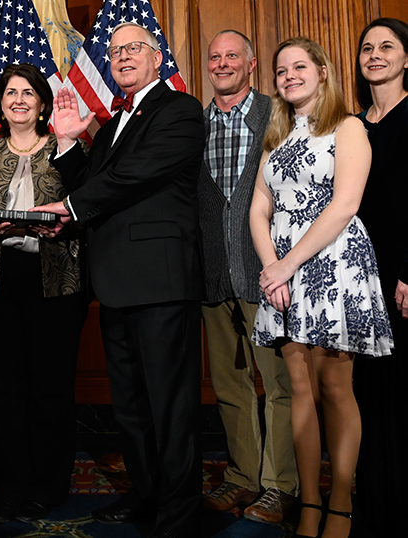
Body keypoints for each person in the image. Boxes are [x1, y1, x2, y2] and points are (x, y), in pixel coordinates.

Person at [32, 22, 205, 538]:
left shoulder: (180, 110)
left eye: (134, 49)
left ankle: (178, 516)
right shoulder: (110, 126)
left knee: (171, 406)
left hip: (161, 281)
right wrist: (67, 143)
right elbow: (92, 185)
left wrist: (70, 203)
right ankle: (147, 496)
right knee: (130, 406)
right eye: (115, 51)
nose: (123, 57)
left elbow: (137, 174)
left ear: (157, 58)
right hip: (113, 282)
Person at [249, 37, 393, 538]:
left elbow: (345, 205)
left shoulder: (348, 126)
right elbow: (258, 209)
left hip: (333, 267)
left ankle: (340, 506)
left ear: (324, 71)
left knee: (335, 389)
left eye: (299, 67)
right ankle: (309, 503)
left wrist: (286, 263)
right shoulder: (278, 138)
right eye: (281, 70)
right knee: (301, 390)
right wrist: (271, 268)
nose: (289, 76)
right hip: (285, 277)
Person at [0, 63, 83, 525]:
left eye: (28, 92)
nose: (19, 99)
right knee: (1, 390)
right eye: (11, 92)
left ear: (43, 102)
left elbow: (88, 205)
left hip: (55, 280)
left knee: (50, 389)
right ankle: (7, 487)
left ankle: (46, 488)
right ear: (0, 103)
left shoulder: (66, 148)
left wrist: (64, 224)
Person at [198, 30, 299, 522]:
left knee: (279, 385)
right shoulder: (194, 125)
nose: (222, 63)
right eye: (215, 57)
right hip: (214, 279)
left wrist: (285, 267)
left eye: (231, 55)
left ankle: (280, 485)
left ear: (252, 64)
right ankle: (242, 478)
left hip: (269, 276)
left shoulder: (277, 115)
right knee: (231, 385)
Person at [353, 17, 408, 536]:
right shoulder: (354, 124)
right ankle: (375, 506)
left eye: (387, 46)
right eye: (367, 48)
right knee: (369, 390)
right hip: (360, 274)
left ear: (406, 58)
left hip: (404, 271)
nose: (375, 54)